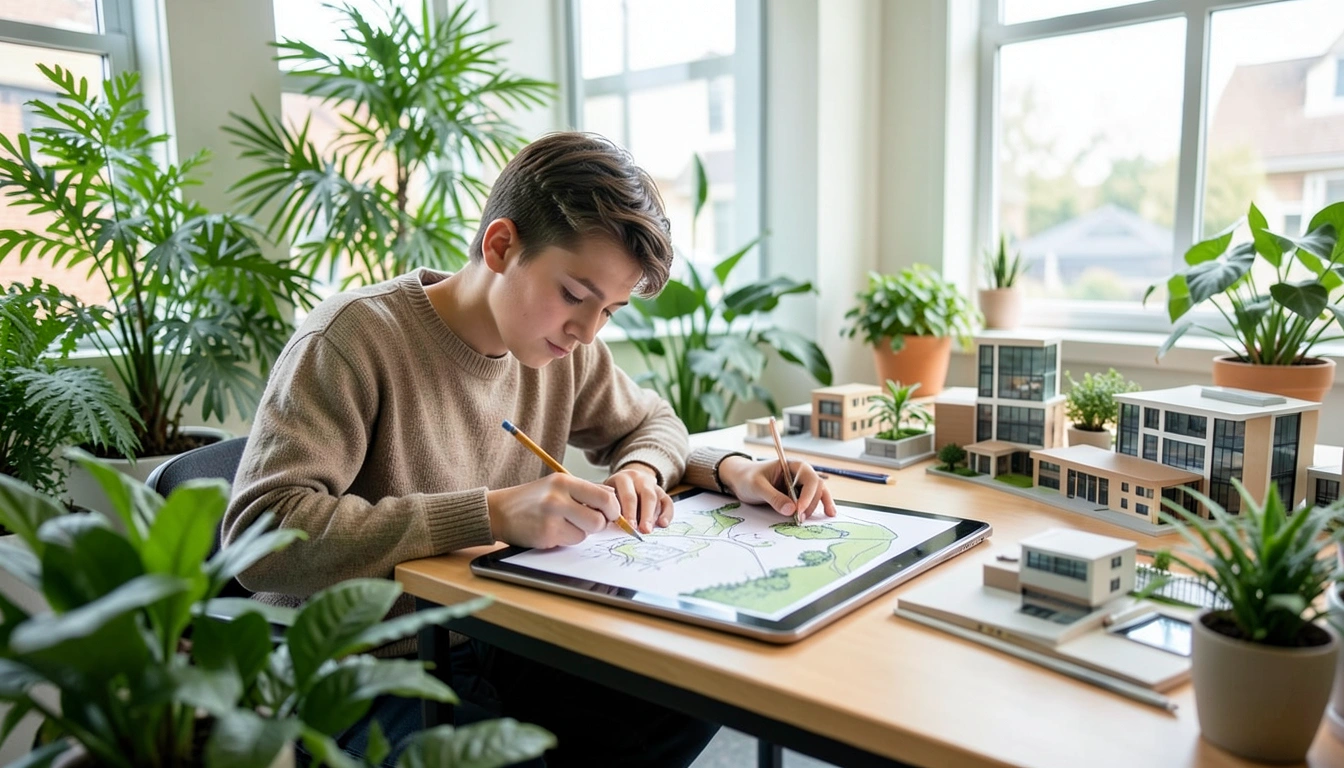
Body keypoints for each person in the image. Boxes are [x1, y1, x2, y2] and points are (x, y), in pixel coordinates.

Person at [224, 131, 836, 767]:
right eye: (574, 295)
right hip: (361, 666)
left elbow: (654, 422)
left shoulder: (567, 349)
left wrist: (668, 470)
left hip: (498, 638)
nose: (586, 330)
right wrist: (488, 513)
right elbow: (259, 538)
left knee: (694, 691)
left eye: (611, 310)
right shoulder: (353, 340)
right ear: (500, 245)